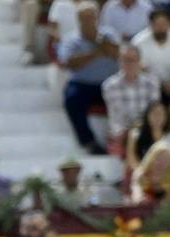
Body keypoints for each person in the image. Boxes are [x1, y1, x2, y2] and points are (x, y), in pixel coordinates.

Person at [59, 1, 119, 154]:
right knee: (71, 98)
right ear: (78, 20)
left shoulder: (109, 34)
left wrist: (97, 40)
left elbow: (116, 53)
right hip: (82, 84)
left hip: (109, 82)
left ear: (97, 18)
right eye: (84, 18)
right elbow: (69, 62)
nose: (88, 21)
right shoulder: (70, 39)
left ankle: (119, 139)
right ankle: (89, 142)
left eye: (91, 17)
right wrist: (95, 53)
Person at [102, 45, 159, 153]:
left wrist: (140, 131)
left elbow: (153, 113)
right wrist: (131, 133)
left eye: (133, 60)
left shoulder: (152, 83)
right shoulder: (109, 86)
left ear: (140, 61)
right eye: (125, 60)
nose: (129, 64)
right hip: (122, 135)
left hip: (146, 132)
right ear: (120, 61)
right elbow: (116, 117)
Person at [135, 8, 170, 94]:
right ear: (150, 24)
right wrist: (160, 86)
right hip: (148, 87)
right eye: (157, 24)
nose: (161, 28)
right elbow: (141, 70)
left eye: (164, 24)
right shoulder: (139, 42)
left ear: (169, 23)